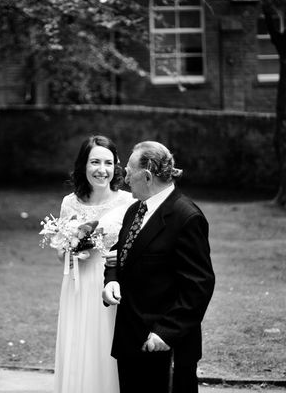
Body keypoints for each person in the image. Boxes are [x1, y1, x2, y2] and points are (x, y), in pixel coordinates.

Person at [102, 140, 215, 393]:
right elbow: (119, 254)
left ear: (148, 175)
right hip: (129, 341)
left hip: (164, 347)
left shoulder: (186, 217)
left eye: (130, 169)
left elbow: (199, 285)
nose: (125, 174)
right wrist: (111, 280)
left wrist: (166, 333)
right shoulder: (134, 210)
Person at [53, 135, 135, 393]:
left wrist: (119, 255)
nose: (102, 170)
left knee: (105, 344)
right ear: (83, 165)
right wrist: (72, 247)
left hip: (110, 284)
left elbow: (136, 246)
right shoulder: (70, 202)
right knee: (78, 342)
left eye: (108, 163)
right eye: (95, 162)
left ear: (116, 167)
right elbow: (60, 251)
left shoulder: (128, 202)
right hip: (77, 283)